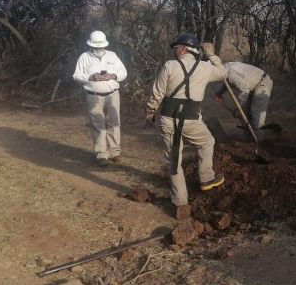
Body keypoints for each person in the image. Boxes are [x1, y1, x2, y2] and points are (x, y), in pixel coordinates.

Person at [145, 33, 227, 219]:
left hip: (168, 118)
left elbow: (157, 93)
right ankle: (206, 178)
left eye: (175, 48)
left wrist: (149, 113)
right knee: (207, 142)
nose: (173, 51)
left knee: (174, 158)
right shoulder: (205, 67)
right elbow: (223, 72)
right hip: (191, 119)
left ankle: (180, 202)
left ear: (183, 49)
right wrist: (212, 54)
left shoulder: (169, 65)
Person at [72, 30, 128, 167]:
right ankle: (101, 153)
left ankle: (115, 152)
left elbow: (123, 72)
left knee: (114, 122)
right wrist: (89, 77)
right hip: (94, 96)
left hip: (113, 94)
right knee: (97, 124)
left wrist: (113, 76)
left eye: (101, 46)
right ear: (91, 45)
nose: (99, 49)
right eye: (96, 47)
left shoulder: (112, 56)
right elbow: (76, 75)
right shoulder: (84, 57)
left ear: (105, 45)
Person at [213, 62, 273, 140]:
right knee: (245, 113)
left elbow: (245, 90)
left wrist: (239, 108)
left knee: (256, 114)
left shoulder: (231, 74)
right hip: (252, 85)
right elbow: (227, 82)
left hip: (262, 82)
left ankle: (259, 141)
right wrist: (219, 93)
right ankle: (247, 139)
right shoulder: (225, 69)